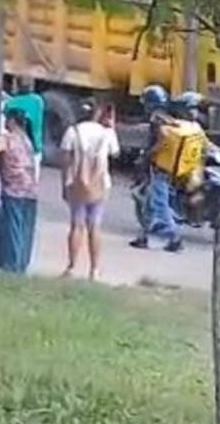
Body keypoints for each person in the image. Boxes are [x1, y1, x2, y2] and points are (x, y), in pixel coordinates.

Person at [60, 99, 119, 280]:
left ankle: (71, 267)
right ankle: (94, 270)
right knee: (95, 226)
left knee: (76, 225)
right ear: (96, 113)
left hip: (76, 184)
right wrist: (112, 126)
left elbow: (65, 160)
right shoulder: (106, 132)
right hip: (101, 184)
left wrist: (65, 184)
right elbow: (115, 153)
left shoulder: (72, 131)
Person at [0, 108, 39, 274]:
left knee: (13, 228)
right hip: (31, 190)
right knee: (25, 230)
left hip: (14, 190)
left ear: (12, 121)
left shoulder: (7, 139)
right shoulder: (27, 140)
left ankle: (11, 265)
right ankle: (21, 265)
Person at [129, 85, 185, 253]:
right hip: (166, 168)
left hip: (160, 168)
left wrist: (148, 155)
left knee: (159, 204)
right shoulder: (169, 117)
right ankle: (143, 237)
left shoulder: (157, 119)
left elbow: (161, 141)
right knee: (148, 204)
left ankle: (175, 238)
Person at [5, 77, 45, 181]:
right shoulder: (38, 101)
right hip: (35, 146)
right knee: (32, 180)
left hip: (17, 147)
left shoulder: (11, 103)